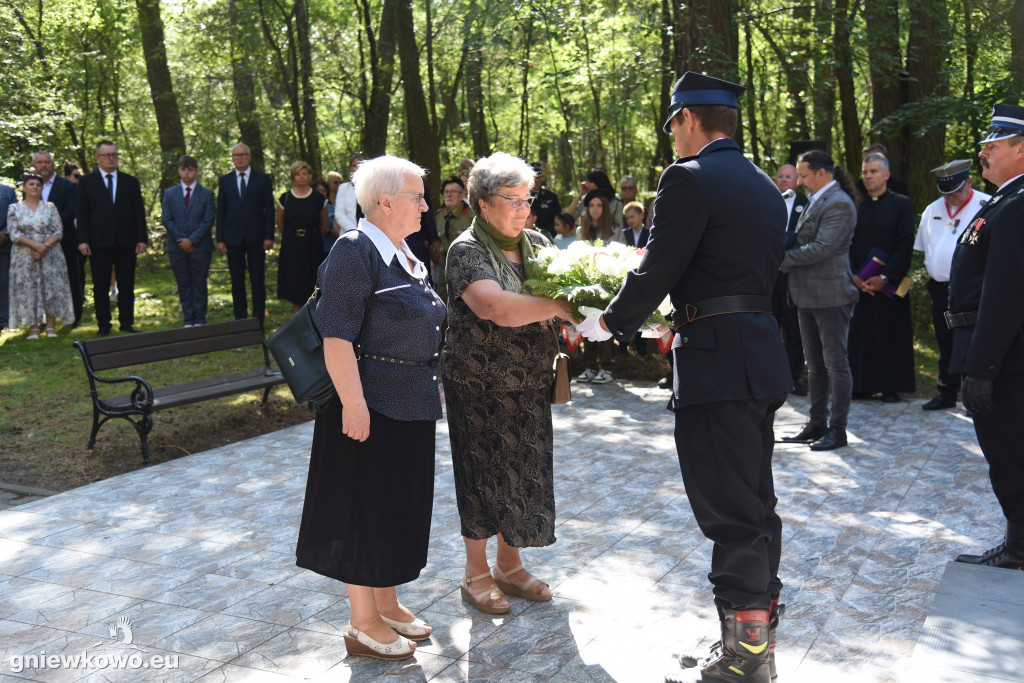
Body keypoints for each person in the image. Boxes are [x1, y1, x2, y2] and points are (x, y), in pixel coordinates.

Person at [579, 72, 790, 683]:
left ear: (689, 120)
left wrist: (609, 322)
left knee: (730, 510)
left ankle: (746, 656)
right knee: (756, 502)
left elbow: (658, 267)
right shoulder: (761, 184)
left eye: (672, 122)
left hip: (717, 362)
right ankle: (757, 642)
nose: (670, 134)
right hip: (758, 352)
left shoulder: (688, 178)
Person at [295, 155, 446, 660]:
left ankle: (387, 601)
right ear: (385, 201)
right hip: (369, 405)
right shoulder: (353, 251)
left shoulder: (403, 251)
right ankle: (362, 622)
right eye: (417, 196)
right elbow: (336, 336)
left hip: (410, 402)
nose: (426, 205)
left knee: (396, 507)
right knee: (364, 509)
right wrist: (353, 406)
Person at [442, 152, 574, 615]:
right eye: (511, 199)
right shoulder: (467, 251)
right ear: (481, 202)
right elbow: (494, 307)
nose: (523, 208)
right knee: (481, 475)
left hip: (528, 381)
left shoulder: (537, 241)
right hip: (476, 383)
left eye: (527, 199)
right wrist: (561, 306)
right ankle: (475, 574)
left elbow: (574, 292)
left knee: (522, 472)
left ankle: (510, 567)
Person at [947, 103, 1024, 570]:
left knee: (1010, 453)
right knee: (1008, 453)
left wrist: (982, 369)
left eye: (993, 146)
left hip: (1006, 359)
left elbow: (1004, 295)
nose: (983, 155)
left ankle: (1019, 547)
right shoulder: (1004, 202)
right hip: (998, 353)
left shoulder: (1016, 208)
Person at [778, 150, 860, 452]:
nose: (799, 180)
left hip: (831, 294)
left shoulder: (838, 202)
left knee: (835, 364)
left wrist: (780, 259)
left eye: (804, 174)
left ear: (822, 173)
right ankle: (816, 423)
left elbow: (821, 248)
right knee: (815, 366)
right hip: (807, 294)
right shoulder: (817, 199)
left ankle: (837, 430)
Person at [914, 159, 990, 410]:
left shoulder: (985, 206)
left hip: (974, 289)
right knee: (945, 342)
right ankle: (946, 393)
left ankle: (974, 397)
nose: (951, 197)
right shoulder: (932, 209)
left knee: (971, 342)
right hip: (940, 288)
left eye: (956, 190)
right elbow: (924, 246)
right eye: (946, 193)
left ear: (969, 181)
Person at [847, 153, 916, 402]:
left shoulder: (902, 204)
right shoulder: (854, 204)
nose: (868, 176)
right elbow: (846, 242)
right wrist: (853, 274)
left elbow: (906, 243)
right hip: (859, 284)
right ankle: (861, 385)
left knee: (889, 333)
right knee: (860, 334)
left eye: (874, 172)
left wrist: (885, 277)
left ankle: (889, 386)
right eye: (865, 172)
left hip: (888, 284)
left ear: (886, 175)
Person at [76, 140, 148, 336]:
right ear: (97, 158)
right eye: (107, 155)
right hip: (98, 243)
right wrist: (82, 240)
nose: (111, 158)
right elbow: (81, 214)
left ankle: (126, 322)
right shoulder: (87, 182)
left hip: (127, 242)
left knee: (127, 284)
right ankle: (103, 325)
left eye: (114, 154)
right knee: (100, 285)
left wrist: (142, 239)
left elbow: (138, 213)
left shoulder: (130, 182)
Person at [7, 174, 75, 338]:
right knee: (29, 289)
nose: (35, 187)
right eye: (31, 184)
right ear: (24, 188)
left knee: (50, 287)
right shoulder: (15, 208)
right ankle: (33, 328)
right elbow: (14, 234)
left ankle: (51, 327)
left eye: (38, 184)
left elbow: (58, 231)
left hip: (50, 253)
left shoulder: (50, 207)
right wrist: (35, 246)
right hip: (25, 255)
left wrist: (43, 247)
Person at [216, 143, 275, 325]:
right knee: (237, 281)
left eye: (243, 155)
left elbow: (270, 210)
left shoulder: (262, 179)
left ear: (249, 157)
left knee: (257, 280)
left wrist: (269, 236)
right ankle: (240, 321)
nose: (239, 158)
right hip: (232, 237)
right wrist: (220, 238)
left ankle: (258, 321)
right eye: (236, 155)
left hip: (257, 237)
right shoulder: (224, 181)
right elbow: (221, 211)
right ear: (232, 159)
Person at [161, 155, 216, 327]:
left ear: (196, 171)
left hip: (201, 246)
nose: (187, 173)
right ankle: (188, 318)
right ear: (179, 170)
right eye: (184, 169)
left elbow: (208, 221)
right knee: (183, 282)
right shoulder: (169, 194)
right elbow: (167, 219)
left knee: (199, 283)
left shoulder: (207, 194)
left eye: (190, 169)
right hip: (177, 247)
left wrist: (191, 241)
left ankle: (200, 318)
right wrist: (182, 241)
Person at [575, 192, 623, 383]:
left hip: (608, 282)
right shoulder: (581, 229)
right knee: (587, 324)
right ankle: (589, 367)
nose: (595, 208)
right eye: (592, 205)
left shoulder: (615, 229)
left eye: (599, 205)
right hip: (587, 283)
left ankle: (607, 368)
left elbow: (622, 254)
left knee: (605, 324)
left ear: (605, 208)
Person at [772, 163, 809, 396]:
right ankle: (772, 375)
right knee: (769, 325)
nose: (784, 180)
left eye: (789, 176)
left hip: (795, 275)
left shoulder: (806, 205)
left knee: (795, 328)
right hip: (769, 275)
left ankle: (793, 376)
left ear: (797, 180)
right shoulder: (767, 201)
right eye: (780, 176)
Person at [277, 161, 327, 313]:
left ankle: (315, 323)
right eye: (298, 174)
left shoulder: (318, 199)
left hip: (312, 246)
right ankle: (297, 323)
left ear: (310, 175)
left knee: (312, 285)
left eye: (304, 174)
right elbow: (280, 224)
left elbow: (323, 226)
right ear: (293, 177)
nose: (301, 177)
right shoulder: (285, 198)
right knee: (295, 285)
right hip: (291, 247)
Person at [435, 176, 474, 300]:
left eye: (453, 192)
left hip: (467, 264)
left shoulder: (471, 216)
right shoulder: (439, 215)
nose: (449, 195)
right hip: (445, 265)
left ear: (462, 194)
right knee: (441, 298)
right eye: (446, 192)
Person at [0, 182, 19, 329]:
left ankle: (4, 318)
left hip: (4, 243)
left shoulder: (7, 191)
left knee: (4, 282)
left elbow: (14, 216)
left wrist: (4, 234)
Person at [334, 153, 365, 236]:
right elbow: (339, 214)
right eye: (354, 166)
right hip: (348, 235)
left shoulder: (374, 188)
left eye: (360, 165)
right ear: (350, 168)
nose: (357, 168)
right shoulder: (343, 188)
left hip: (370, 235)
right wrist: (355, 231)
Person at [530, 162, 561, 236]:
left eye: (538, 177)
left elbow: (558, 217)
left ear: (541, 178)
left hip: (548, 236)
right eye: (533, 178)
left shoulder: (551, 196)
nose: (535, 181)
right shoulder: (521, 196)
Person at [314, 178, 337, 254]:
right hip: (313, 248)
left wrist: (328, 231)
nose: (321, 193)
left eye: (323, 190)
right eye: (318, 190)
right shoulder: (307, 209)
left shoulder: (333, 209)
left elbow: (338, 232)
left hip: (330, 249)